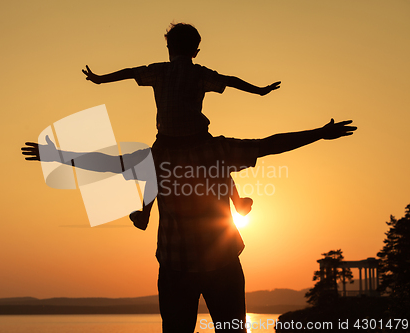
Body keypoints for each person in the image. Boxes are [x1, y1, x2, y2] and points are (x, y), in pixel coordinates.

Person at [22, 119, 357, 333]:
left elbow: (110, 163)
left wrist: (59, 157)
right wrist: (319, 133)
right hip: (211, 263)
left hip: (180, 266)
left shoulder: (158, 156)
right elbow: (268, 145)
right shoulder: (215, 150)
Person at [82, 23, 281, 226]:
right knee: (219, 166)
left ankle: (144, 214)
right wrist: (259, 90)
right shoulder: (199, 73)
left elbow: (130, 72)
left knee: (155, 172)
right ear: (195, 52)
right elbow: (229, 80)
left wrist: (101, 79)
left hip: (168, 138)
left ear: (169, 48)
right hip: (197, 137)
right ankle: (237, 202)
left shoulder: (159, 71)